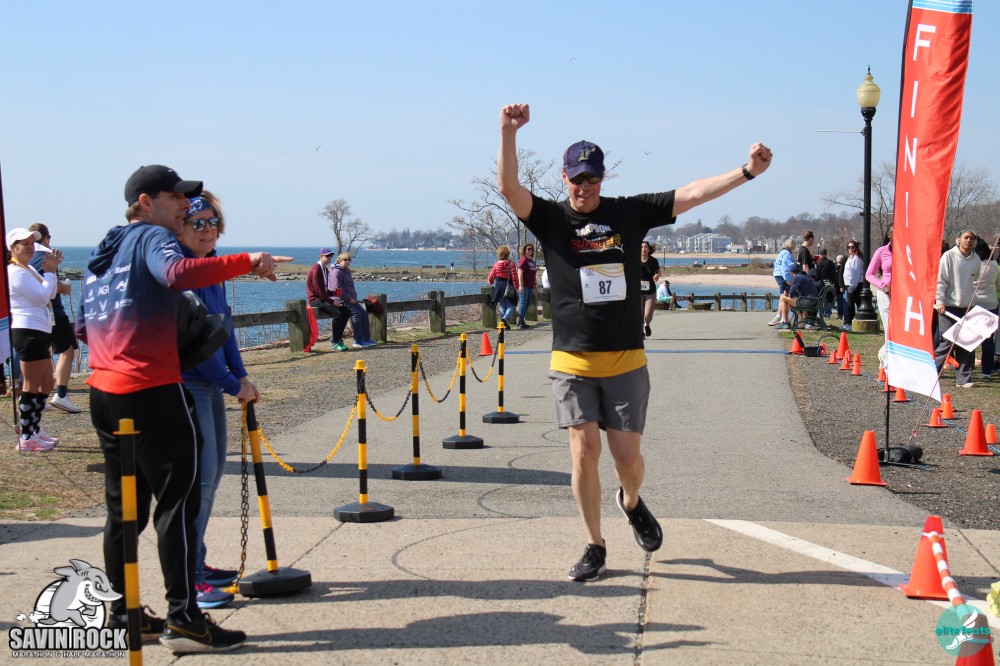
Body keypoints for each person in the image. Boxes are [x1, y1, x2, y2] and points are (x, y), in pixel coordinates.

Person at [496, 103, 772, 582]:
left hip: (625, 361)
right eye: (576, 179)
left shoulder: (629, 212)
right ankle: (595, 543)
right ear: (564, 178)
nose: (583, 187)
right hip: (572, 361)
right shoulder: (551, 219)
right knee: (584, 452)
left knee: (627, 460)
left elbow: (691, 194)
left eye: (591, 178)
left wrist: (747, 172)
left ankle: (630, 500)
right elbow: (509, 188)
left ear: (602, 178)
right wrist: (508, 133)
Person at [78, 164, 290, 652]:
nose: (183, 205)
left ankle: (123, 613)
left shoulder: (101, 253)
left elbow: (86, 326)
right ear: (146, 202)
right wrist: (248, 260)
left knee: (124, 512)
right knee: (179, 501)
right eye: (176, 197)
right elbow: (176, 274)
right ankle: (185, 619)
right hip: (151, 389)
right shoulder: (152, 237)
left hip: (104, 391)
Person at [177, 192, 260, 610]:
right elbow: (196, 339)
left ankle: (198, 563)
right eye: (198, 222)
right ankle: (189, 579)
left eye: (213, 222)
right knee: (199, 481)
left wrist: (240, 374)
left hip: (212, 384)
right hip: (188, 383)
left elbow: (222, 326)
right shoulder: (181, 270)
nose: (207, 230)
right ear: (179, 226)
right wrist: (231, 383)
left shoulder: (213, 268)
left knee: (212, 475)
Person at [7, 228, 61, 452]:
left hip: (40, 328)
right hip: (26, 328)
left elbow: (51, 294)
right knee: (31, 384)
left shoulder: (27, 269)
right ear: (13, 248)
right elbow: (41, 296)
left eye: (32, 243)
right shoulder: (15, 272)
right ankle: (27, 436)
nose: (30, 247)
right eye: (25, 244)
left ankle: (34, 429)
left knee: (47, 382)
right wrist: (49, 273)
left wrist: (51, 273)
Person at [27, 224, 81, 414]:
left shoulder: (25, 257)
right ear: (46, 238)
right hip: (53, 312)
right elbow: (52, 286)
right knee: (67, 351)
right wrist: (66, 288)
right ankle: (61, 394)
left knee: (42, 355)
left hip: (32, 314)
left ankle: (37, 396)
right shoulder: (46, 255)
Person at [934, 229, 980, 387]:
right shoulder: (948, 256)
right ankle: (931, 372)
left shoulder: (976, 259)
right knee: (947, 342)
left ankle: (964, 379)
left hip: (968, 307)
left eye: (972, 238)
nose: (969, 240)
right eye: (966, 237)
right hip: (947, 306)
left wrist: (974, 303)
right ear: (958, 240)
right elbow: (941, 280)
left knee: (967, 343)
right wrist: (940, 300)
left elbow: (975, 283)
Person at [306, 248, 351, 351]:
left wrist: (334, 293)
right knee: (337, 314)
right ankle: (336, 341)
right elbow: (318, 291)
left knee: (347, 311)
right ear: (321, 256)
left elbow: (325, 290)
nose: (329, 257)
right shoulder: (316, 269)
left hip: (323, 298)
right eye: (327, 255)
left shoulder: (325, 269)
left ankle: (337, 338)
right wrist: (332, 301)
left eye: (331, 255)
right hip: (316, 300)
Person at [328, 252, 376, 348]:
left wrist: (352, 298)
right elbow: (335, 289)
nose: (347, 261)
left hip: (351, 299)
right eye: (345, 260)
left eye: (349, 259)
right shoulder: (336, 271)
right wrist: (349, 299)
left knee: (363, 312)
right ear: (339, 260)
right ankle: (358, 340)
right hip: (340, 299)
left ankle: (366, 338)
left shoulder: (346, 271)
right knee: (356, 314)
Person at [865, 228, 893, 366]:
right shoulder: (882, 251)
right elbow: (869, 274)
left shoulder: (907, 252)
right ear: (889, 234)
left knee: (900, 332)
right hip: (886, 295)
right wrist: (883, 285)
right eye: (895, 232)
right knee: (890, 330)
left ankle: (883, 353)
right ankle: (887, 366)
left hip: (902, 296)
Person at [973, 238, 1000, 380]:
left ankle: (967, 368)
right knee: (988, 338)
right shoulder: (994, 264)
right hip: (991, 304)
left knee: (971, 338)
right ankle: (986, 370)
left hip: (973, 304)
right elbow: (998, 285)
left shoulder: (971, 264)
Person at [775, 262, 818, 330]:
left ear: (791, 272)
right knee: (785, 298)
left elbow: (791, 294)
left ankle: (785, 322)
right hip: (813, 301)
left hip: (807, 302)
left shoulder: (797, 277)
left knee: (783, 298)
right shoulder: (805, 276)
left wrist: (787, 294)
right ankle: (794, 321)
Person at [487, 245, 519, 327]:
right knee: (512, 303)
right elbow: (514, 277)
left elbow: (491, 275)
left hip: (499, 286)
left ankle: (503, 325)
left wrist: (490, 282)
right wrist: (516, 287)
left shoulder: (496, 264)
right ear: (507, 254)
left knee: (502, 305)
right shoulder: (511, 264)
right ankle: (506, 317)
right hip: (509, 286)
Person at [768, 238, 796, 325]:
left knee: (784, 295)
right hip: (782, 276)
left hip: (778, 275)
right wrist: (788, 279)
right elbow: (785, 267)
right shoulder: (787, 254)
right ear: (792, 246)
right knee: (784, 296)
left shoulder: (782, 252)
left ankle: (782, 316)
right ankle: (779, 316)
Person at [841, 240, 863, 330]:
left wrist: (852, 287)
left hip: (853, 285)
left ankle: (850, 323)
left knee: (851, 305)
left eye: (852, 247)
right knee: (850, 305)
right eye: (849, 247)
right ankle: (850, 322)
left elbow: (855, 274)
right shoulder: (850, 258)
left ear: (856, 248)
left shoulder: (856, 259)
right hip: (849, 285)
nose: (850, 249)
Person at [639, 241, 659, 337]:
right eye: (641, 247)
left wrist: (657, 276)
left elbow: (658, 271)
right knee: (639, 314)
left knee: (648, 315)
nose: (643, 249)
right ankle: (641, 332)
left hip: (650, 291)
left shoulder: (653, 261)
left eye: (645, 247)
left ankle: (647, 324)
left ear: (649, 249)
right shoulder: (634, 260)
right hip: (637, 291)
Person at [516, 243, 538, 329]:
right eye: (528, 249)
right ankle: (520, 321)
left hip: (530, 285)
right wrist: (521, 285)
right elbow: (520, 273)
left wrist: (535, 283)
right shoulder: (523, 260)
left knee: (528, 302)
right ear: (524, 250)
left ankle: (521, 320)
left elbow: (534, 274)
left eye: (531, 249)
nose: (530, 250)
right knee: (523, 302)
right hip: (524, 285)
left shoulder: (532, 261)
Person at [814, 248, 837, 318]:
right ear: (826, 254)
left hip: (820, 282)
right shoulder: (830, 262)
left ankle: (819, 313)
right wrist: (833, 281)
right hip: (828, 282)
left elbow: (816, 273)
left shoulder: (818, 263)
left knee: (820, 298)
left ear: (820, 254)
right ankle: (828, 313)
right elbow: (834, 273)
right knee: (829, 297)